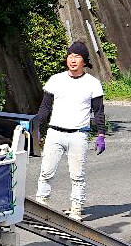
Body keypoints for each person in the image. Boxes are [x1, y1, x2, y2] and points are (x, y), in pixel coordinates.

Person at [34, 40, 107, 221]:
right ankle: (40, 205)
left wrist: (100, 135)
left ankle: (76, 209)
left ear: (84, 61)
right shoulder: (55, 80)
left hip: (78, 135)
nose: (73, 60)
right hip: (54, 133)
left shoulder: (93, 83)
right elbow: (45, 107)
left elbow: (98, 111)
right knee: (46, 172)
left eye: (77, 56)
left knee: (77, 175)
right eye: (70, 56)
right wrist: (36, 127)